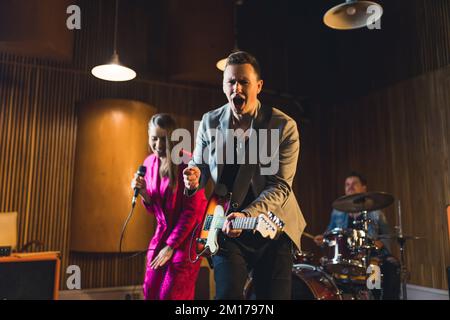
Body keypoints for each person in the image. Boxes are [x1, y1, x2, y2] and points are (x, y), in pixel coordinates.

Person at [183, 51, 306, 299]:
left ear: (258, 86)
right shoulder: (210, 122)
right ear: (223, 85)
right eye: (231, 82)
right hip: (227, 225)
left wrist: (248, 214)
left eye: (244, 82)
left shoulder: (283, 126)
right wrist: (194, 178)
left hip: (273, 226)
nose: (236, 88)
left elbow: (280, 187)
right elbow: (200, 165)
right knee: (227, 296)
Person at [131, 113, 207, 300]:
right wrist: (144, 194)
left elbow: (193, 211)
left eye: (163, 139)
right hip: (162, 235)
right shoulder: (149, 163)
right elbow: (155, 209)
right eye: (154, 139)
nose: (158, 145)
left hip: (187, 238)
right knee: (150, 290)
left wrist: (171, 246)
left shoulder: (188, 163)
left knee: (172, 294)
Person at [313, 172, 401, 300]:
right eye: (347, 184)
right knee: (323, 266)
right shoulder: (338, 212)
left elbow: (387, 235)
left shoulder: (375, 211)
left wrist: (380, 243)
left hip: (371, 255)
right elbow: (329, 233)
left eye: (354, 184)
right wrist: (323, 238)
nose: (350, 187)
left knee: (391, 265)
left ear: (364, 187)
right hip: (345, 256)